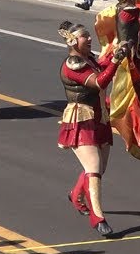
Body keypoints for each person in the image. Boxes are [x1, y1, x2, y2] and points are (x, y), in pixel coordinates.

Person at [56, 21, 130, 237]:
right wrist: (116, 60)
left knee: (98, 168)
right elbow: (99, 82)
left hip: (99, 117)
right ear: (72, 41)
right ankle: (98, 218)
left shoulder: (87, 59)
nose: (89, 39)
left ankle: (76, 194)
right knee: (94, 168)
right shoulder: (73, 64)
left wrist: (119, 48)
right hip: (81, 118)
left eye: (88, 36)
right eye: (84, 36)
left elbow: (102, 64)